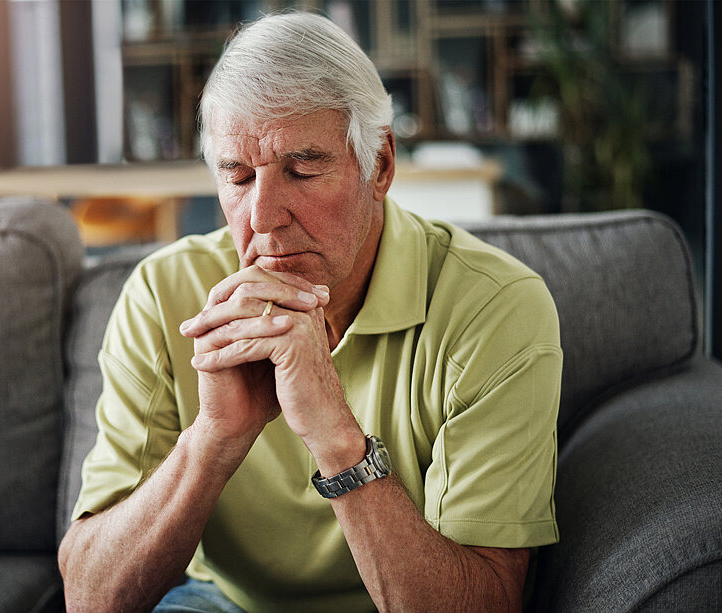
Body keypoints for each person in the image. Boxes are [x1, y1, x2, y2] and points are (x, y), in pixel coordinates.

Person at [58, 11, 561, 613]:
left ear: (380, 165)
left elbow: (486, 603)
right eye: (238, 177)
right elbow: (89, 598)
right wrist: (214, 439)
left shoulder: (495, 307)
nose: (263, 217)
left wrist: (335, 436)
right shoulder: (163, 293)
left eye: (302, 170)